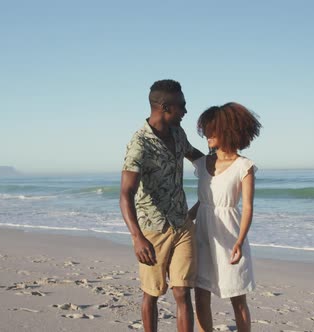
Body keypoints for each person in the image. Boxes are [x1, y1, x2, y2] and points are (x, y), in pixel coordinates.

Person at [120, 79, 203, 332]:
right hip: (152, 231)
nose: (186, 111)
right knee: (152, 294)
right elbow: (125, 194)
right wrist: (137, 238)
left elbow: (197, 157)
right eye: (182, 106)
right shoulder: (140, 144)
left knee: (182, 291)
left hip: (182, 224)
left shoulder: (178, 133)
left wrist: (226, 161)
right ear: (165, 106)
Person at [186, 102, 262, 332]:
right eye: (205, 129)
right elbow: (204, 201)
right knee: (200, 294)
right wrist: (185, 220)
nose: (206, 134)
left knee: (237, 297)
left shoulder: (243, 166)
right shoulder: (201, 162)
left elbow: (247, 207)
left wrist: (239, 241)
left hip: (230, 237)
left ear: (228, 130)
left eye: (212, 129)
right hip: (202, 234)